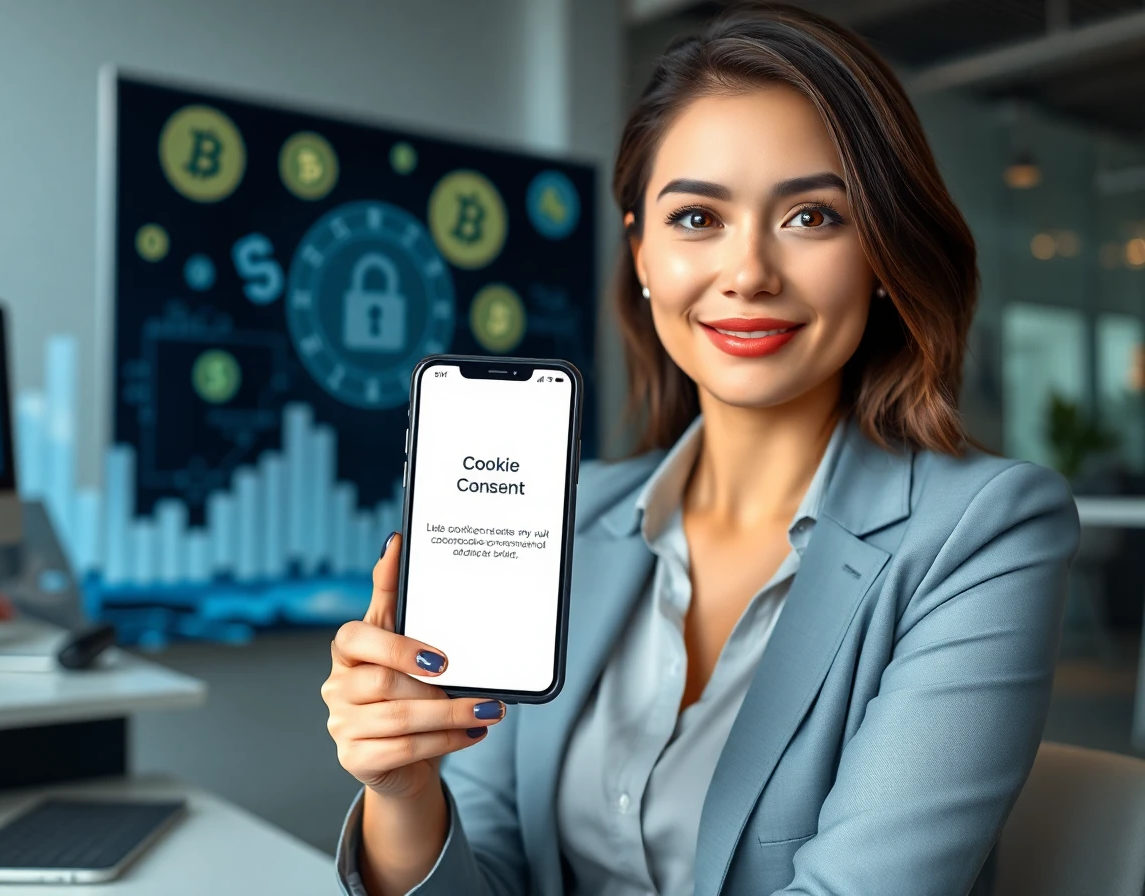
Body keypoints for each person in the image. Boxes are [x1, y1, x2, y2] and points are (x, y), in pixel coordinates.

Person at [321, 3, 1081, 894]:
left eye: (811, 217)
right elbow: (491, 873)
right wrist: (404, 790)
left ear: (881, 251)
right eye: (695, 219)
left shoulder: (983, 531)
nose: (750, 270)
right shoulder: (570, 517)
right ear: (641, 253)